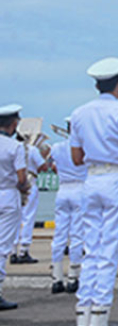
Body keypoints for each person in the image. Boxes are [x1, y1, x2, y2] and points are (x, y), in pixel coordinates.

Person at [69, 57, 118, 326]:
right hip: (117, 178)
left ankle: (84, 315)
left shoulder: (79, 113)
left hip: (91, 179)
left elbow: (76, 157)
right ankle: (100, 316)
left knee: (92, 249)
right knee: (110, 251)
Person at [49, 117, 87, 294]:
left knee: (59, 235)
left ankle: (57, 279)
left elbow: (53, 166)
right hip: (80, 188)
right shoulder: (85, 147)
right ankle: (73, 277)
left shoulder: (56, 147)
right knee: (77, 235)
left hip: (62, 189)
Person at [0, 104, 30, 310]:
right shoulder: (15, 147)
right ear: (13, 124)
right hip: (8, 196)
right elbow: (21, 178)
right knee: (2, 247)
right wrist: (25, 187)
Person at [11, 130, 48, 264]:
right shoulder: (32, 149)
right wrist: (43, 156)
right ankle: (24, 251)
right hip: (30, 183)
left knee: (14, 218)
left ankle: (13, 251)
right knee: (28, 217)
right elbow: (43, 167)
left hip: (13, 186)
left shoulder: (11, 148)